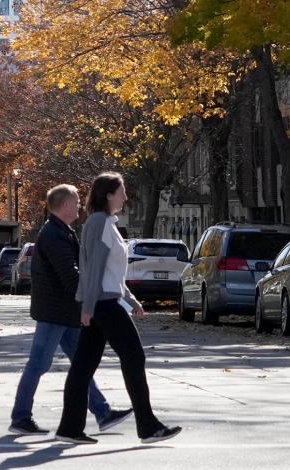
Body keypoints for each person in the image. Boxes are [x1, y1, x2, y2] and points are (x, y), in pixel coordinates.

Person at [54, 172, 182, 446]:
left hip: (105, 301)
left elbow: (113, 272)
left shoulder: (106, 223)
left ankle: (69, 428)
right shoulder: (99, 222)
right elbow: (94, 268)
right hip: (102, 305)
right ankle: (148, 427)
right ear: (109, 194)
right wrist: (87, 307)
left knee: (82, 367)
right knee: (133, 358)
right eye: (122, 191)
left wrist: (131, 299)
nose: (125, 196)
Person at [8, 184, 132, 436]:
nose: (79, 206)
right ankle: (20, 417)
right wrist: (91, 298)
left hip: (64, 312)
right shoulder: (54, 234)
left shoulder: (61, 231)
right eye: (75, 202)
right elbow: (70, 275)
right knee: (38, 364)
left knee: (81, 364)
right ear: (65, 206)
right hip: (55, 313)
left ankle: (103, 412)